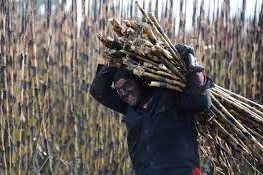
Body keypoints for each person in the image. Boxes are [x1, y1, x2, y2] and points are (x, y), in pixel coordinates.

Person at [89, 44, 214, 175]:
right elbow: (97, 91)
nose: (124, 93)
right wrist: (113, 61)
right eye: (119, 90)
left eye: (127, 85)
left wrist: (191, 61)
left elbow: (201, 102)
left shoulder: (169, 95)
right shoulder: (128, 106)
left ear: (139, 80)